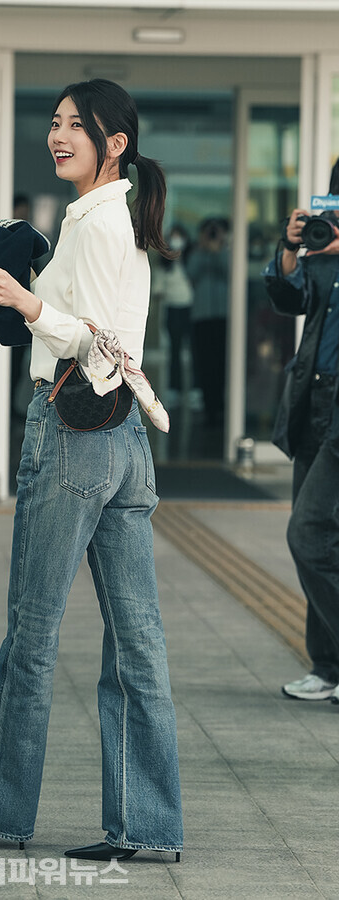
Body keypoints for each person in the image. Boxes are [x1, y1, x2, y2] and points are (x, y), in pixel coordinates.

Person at [0, 78, 183, 862]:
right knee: (137, 641)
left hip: (72, 428)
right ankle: (147, 829)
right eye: (54, 124)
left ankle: (3, 814)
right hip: (125, 444)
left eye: (74, 127)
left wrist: (26, 303)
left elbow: (99, 339)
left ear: (113, 143)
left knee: (33, 632)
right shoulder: (111, 217)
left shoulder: (98, 221)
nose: (58, 136)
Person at [263, 159, 339, 704]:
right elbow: (288, 300)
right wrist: (292, 250)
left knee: (309, 533)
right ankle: (328, 667)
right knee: (317, 538)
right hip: (313, 399)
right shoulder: (322, 248)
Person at [186, 217, 230, 427]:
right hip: (202, 317)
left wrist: (219, 249)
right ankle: (209, 408)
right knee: (205, 364)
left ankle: (223, 407)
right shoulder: (197, 253)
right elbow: (191, 273)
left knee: (223, 364)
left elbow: (229, 271)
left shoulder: (228, 252)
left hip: (224, 316)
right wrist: (204, 248)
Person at [159, 223, 195, 405]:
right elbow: (158, 289)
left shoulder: (191, 260)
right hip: (172, 307)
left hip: (190, 308)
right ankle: (175, 388)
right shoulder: (165, 263)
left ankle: (195, 389)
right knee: (175, 349)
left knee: (194, 349)